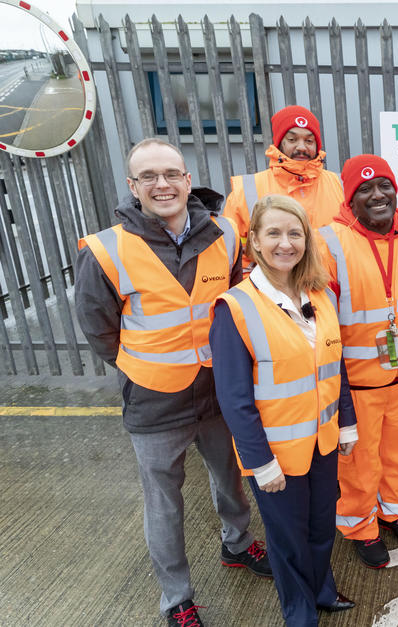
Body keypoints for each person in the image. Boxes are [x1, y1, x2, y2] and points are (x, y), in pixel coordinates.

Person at [75, 138, 271, 627]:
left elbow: (234, 305)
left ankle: (239, 544)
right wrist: (140, 366)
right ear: (132, 187)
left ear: (188, 180)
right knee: (164, 502)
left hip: (216, 390)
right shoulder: (105, 249)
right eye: (148, 177)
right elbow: (98, 327)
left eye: (170, 174)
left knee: (231, 479)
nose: (161, 184)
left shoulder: (225, 234)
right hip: (153, 399)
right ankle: (177, 598)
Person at [209, 194, 357, 625]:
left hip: (323, 441)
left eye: (295, 233)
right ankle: (299, 609)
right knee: (288, 538)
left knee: (320, 527)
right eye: (273, 232)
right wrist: (260, 462)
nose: (285, 243)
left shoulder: (320, 294)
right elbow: (234, 398)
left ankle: (322, 590)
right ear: (253, 240)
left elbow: (335, 367)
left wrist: (346, 424)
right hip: (276, 453)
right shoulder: (235, 307)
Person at [318, 154, 398, 568]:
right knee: (358, 461)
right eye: (365, 189)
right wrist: (330, 381)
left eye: (384, 186)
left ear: (396, 190)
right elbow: (320, 323)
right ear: (350, 198)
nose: (377, 195)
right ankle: (360, 525)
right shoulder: (328, 244)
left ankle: (394, 510)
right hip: (355, 384)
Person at [224, 105, 344, 275]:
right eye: (292, 139)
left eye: (309, 141)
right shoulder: (245, 191)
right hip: (272, 296)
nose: (302, 147)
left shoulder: (340, 185)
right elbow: (233, 255)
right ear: (279, 143)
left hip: (330, 292)